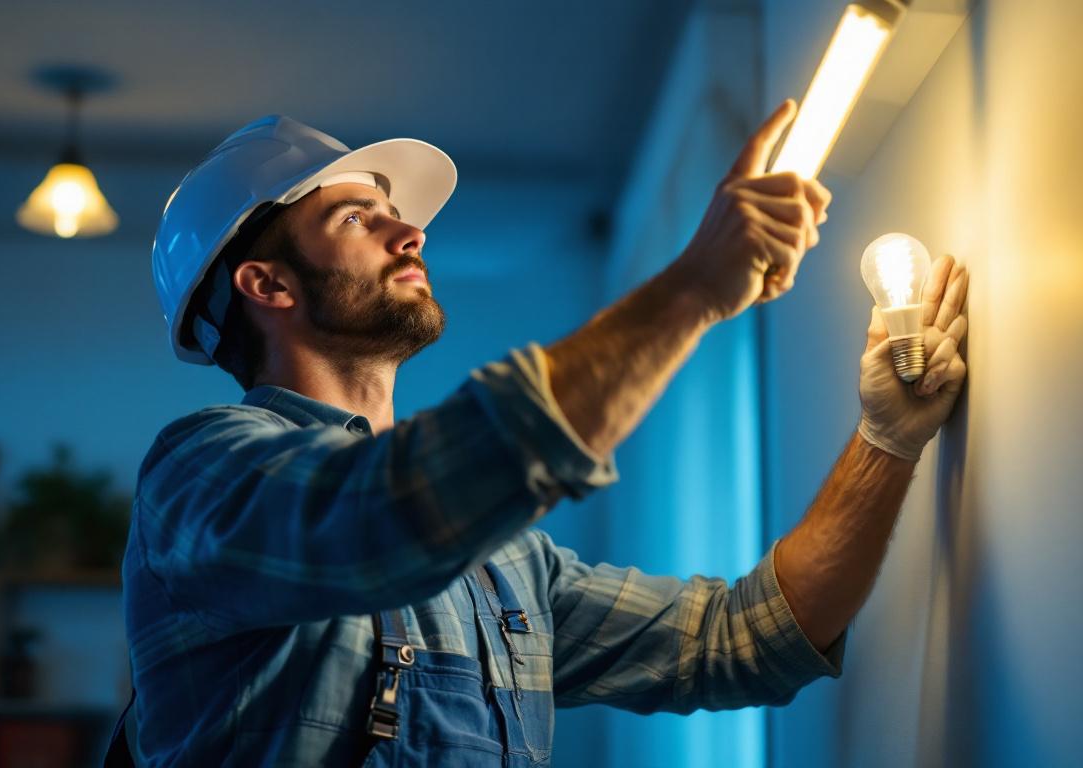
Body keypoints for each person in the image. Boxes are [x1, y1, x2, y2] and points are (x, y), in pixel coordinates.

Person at [114, 99, 969, 766]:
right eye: (353, 220)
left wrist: (885, 440)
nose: (408, 230)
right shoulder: (199, 476)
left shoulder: (509, 564)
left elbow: (745, 637)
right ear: (268, 284)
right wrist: (695, 287)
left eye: (393, 213)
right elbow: (378, 522)